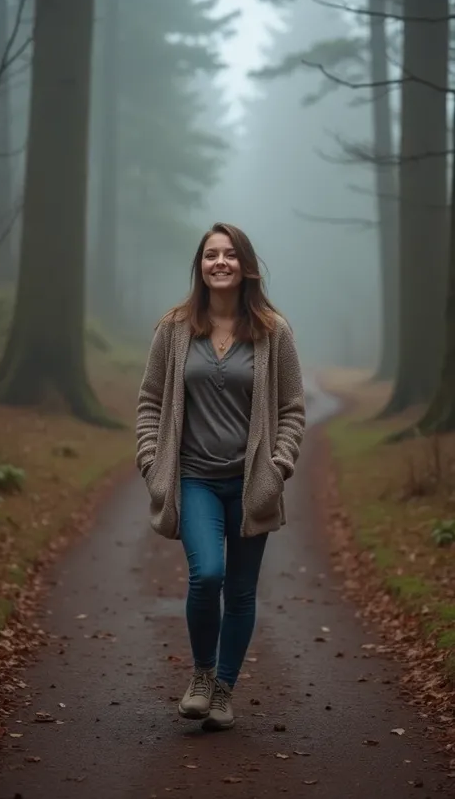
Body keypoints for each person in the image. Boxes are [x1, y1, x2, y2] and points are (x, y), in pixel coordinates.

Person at [135, 222, 305, 732]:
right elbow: (149, 401)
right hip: (194, 479)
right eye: (211, 255)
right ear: (200, 266)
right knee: (207, 574)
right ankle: (203, 675)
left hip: (252, 482)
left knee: (243, 590)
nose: (220, 262)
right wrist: (150, 460)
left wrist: (279, 466)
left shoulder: (274, 331)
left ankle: (225, 689)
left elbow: (293, 408)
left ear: (245, 265)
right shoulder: (174, 328)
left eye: (230, 254)